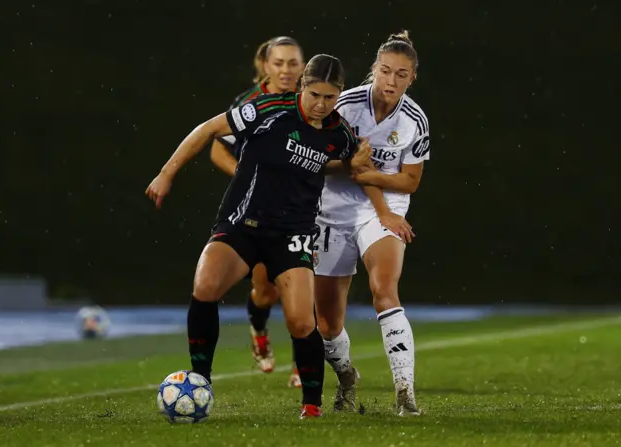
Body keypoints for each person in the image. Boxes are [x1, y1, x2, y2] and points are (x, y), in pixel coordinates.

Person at [146, 54, 368, 419]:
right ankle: (200, 379)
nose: (321, 104)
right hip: (242, 223)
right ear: (302, 86)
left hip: (292, 233)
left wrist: (354, 165)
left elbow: (340, 163)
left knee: (301, 322)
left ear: (340, 93)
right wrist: (166, 174)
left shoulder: (339, 134)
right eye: (315, 94)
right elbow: (207, 130)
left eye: (331, 97)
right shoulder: (266, 109)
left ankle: (312, 406)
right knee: (205, 286)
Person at [313, 30, 430, 416]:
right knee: (327, 321)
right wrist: (356, 169)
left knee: (384, 288)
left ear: (412, 78)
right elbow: (326, 164)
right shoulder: (344, 107)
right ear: (374, 71)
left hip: (386, 208)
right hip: (333, 208)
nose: (391, 81)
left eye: (401, 74)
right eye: (385, 71)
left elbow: (409, 181)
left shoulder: (415, 120)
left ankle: (405, 393)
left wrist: (368, 179)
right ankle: (347, 375)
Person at [209, 36, 305, 387]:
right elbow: (218, 150)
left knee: (303, 284)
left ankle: (302, 363)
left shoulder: (313, 99)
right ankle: (259, 328)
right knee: (266, 289)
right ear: (265, 65)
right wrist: (250, 176)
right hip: (261, 211)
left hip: (305, 208)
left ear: (303, 65)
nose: (286, 70)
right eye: (279, 63)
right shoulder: (250, 103)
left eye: (293, 63)